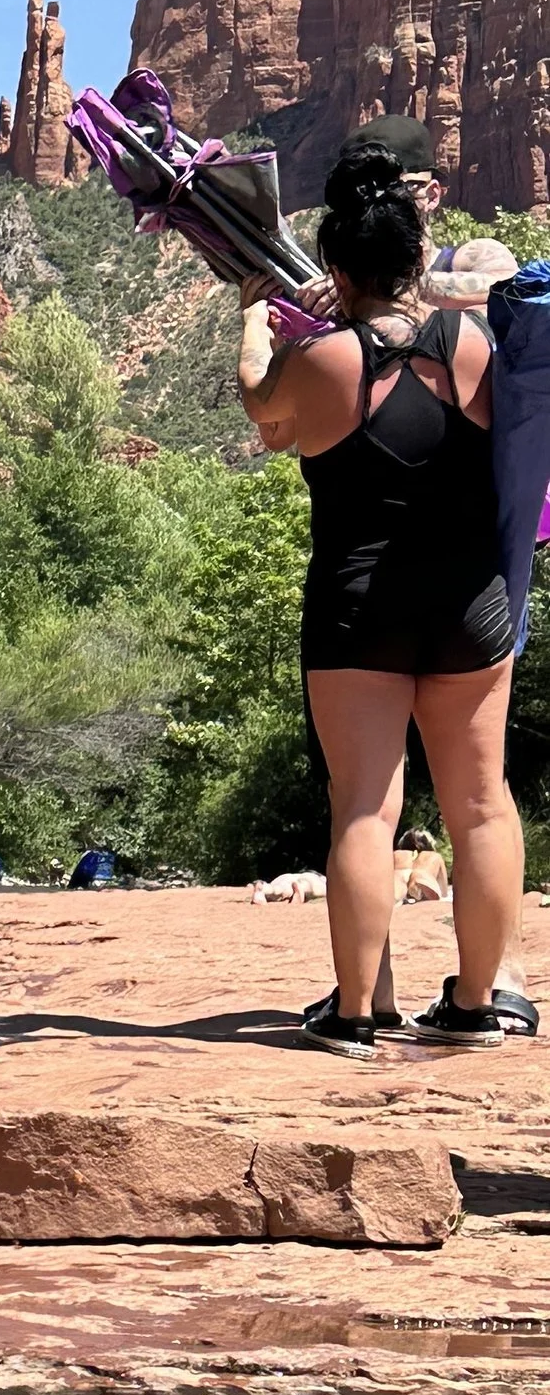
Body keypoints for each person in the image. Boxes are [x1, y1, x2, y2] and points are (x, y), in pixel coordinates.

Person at [240, 130, 519, 1056]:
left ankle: (358, 1013)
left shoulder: (323, 363)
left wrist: (255, 315)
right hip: (469, 602)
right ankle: (479, 1003)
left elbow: (260, 408)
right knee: (481, 802)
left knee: (365, 805)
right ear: (416, 257)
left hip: (359, 608)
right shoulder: (473, 344)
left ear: (334, 267)